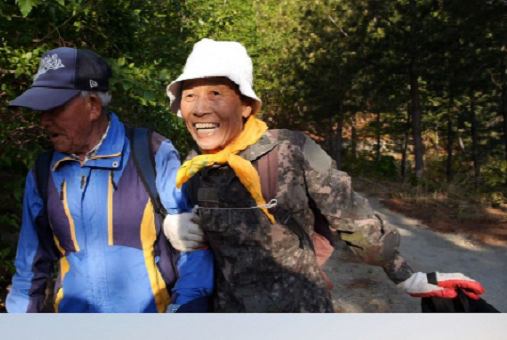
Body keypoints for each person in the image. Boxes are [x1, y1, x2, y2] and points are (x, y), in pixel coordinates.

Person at [165, 38, 486, 313]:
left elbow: (356, 223)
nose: (198, 108)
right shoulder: (193, 167)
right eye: (190, 95)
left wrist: (406, 276)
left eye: (215, 94)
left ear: (246, 105)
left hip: (301, 313)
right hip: (230, 318)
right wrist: (174, 229)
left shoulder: (291, 149)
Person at [5, 47, 213, 313]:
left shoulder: (151, 153)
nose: (44, 121)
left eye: (54, 108)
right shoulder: (43, 174)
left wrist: (184, 312)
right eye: (40, 110)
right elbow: (28, 270)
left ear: (92, 106)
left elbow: (193, 247)